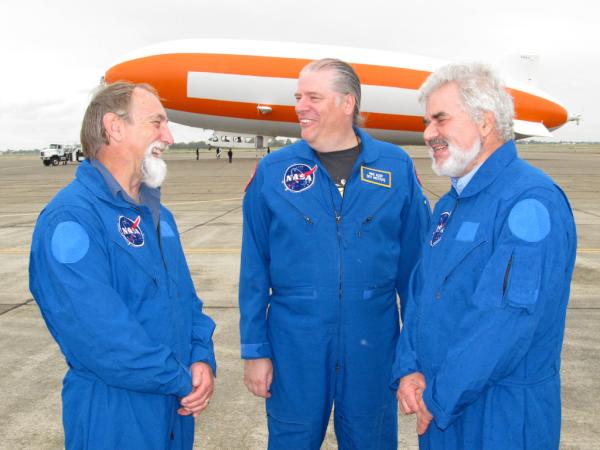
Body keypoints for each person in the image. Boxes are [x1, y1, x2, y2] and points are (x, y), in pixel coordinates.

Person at [239, 58, 430, 449]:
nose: (300, 106)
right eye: (298, 97)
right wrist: (255, 350)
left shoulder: (395, 167)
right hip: (295, 346)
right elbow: (254, 268)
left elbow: (416, 274)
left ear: (347, 103)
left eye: (313, 97)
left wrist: (414, 354)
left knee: (371, 440)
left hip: (374, 346)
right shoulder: (274, 170)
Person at [392, 63, 577, 450]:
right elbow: (421, 292)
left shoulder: (530, 202)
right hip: (442, 409)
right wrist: (408, 368)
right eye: (427, 122)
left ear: (484, 122)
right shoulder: (449, 205)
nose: (428, 134)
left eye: (440, 120)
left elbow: (503, 323)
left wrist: (438, 398)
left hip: (501, 417)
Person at [29, 82, 217, 450]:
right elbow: (99, 336)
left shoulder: (159, 217)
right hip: (115, 413)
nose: (169, 136)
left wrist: (202, 360)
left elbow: (188, 303)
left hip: (174, 405)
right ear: (115, 128)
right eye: (156, 123)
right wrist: (182, 379)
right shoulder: (71, 219)